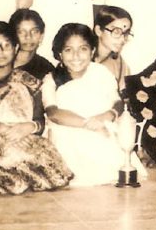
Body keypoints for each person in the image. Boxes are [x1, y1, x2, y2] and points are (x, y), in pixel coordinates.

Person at [0, 21, 72, 194]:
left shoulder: (29, 81)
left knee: (38, 156)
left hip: (23, 137)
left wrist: (28, 127)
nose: (0, 52)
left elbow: (39, 120)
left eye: (6, 46)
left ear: (16, 48)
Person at [42, 23, 133, 187]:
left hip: (102, 127)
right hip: (68, 133)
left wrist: (107, 115)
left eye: (83, 49)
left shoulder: (101, 72)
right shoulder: (52, 79)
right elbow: (53, 114)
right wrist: (88, 125)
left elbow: (117, 102)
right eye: (68, 50)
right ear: (60, 54)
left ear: (92, 51)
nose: (76, 56)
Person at [93, 6, 134, 91]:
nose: (122, 39)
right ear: (98, 30)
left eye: (126, 33)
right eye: (116, 31)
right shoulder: (81, 60)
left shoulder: (122, 66)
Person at [10, 8, 55, 81]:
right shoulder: (0, 59)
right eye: (21, 32)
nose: (28, 37)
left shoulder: (45, 69)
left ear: (41, 36)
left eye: (34, 31)